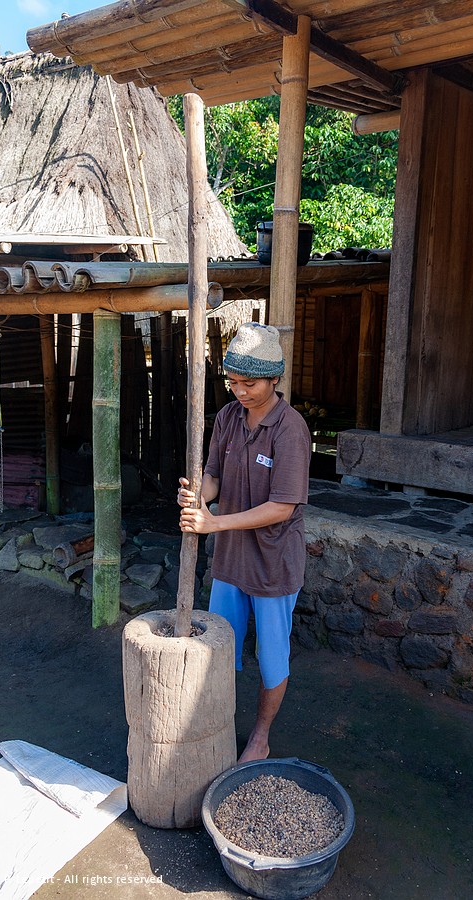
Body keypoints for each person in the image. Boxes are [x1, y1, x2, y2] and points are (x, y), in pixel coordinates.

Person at [178, 322, 311, 763]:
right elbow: (213, 476)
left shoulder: (290, 430)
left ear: (274, 379)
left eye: (249, 384)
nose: (240, 391)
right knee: (220, 646)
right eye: (233, 382)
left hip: (273, 562)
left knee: (271, 658)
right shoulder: (228, 418)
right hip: (231, 560)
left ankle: (260, 737)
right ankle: (217, 722)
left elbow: (282, 507)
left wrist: (214, 523)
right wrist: (198, 496)